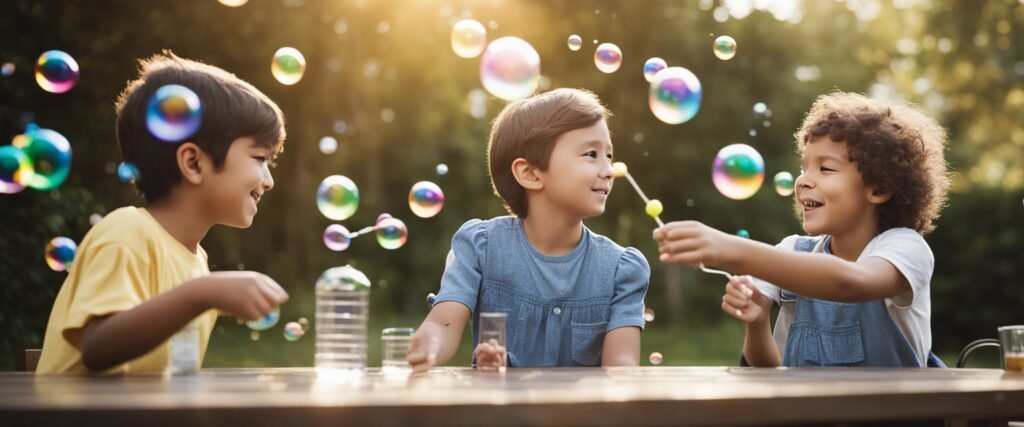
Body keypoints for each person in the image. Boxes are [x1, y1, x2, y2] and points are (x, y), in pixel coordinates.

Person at [655, 91, 950, 367]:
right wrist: (757, 325)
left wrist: (730, 249)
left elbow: (851, 283)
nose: (804, 180)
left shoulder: (905, 248)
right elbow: (769, 370)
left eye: (825, 169)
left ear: (879, 188)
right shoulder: (792, 252)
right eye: (803, 167)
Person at [37, 52, 289, 374]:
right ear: (194, 163)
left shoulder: (196, 262)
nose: (268, 181)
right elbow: (98, 347)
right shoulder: (126, 233)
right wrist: (205, 293)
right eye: (259, 158)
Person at [407, 88, 650, 371]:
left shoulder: (622, 269)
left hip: (583, 416)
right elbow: (443, 323)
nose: (609, 169)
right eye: (591, 154)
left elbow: (622, 365)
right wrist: (430, 345)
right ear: (530, 174)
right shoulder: (481, 247)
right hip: (499, 413)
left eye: (609, 155)